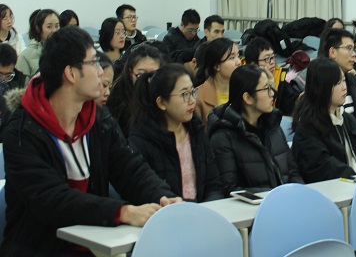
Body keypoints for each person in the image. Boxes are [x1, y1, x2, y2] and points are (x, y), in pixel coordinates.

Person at [0, 27, 179, 255]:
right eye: (93, 63)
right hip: (38, 248)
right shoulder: (22, 131)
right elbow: (53, 200)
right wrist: (122, 212)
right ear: (71, 73)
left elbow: (129, 168)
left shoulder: (98, 118)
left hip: (94, 244)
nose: (101, 72)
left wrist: (163, 198)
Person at [128, 64, 223, 202]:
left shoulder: (196, 130)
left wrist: (207, 208)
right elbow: (144, 192)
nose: (192, 101)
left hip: (201, 210)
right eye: (184, 94)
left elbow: (213, 184)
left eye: (193, 92)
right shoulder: (142, 141)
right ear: (162, 103)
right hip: (167, 211)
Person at [208, 65, 303, 194]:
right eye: (266, 89)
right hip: (256, 205)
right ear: (247, 98)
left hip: (284, 200)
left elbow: (293, 171)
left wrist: (297, 193)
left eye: (271, 87)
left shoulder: (273, 127)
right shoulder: (223, 137)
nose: (272, 94)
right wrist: (273, 197)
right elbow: (231, 189)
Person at [291, 58, 356, 182]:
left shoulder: (347, 119)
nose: (344, 87)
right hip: (338, 190)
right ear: (322, 87)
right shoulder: (308, 129)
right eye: (338, 83)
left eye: (344, 80)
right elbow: (325, 170)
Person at [106, 43, 164, 136]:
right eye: (140, 75)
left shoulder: (165, 95)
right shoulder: (118, 102)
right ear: (130, 72)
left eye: (153, 75)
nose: (147, 80)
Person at [321, 28, 356, 128]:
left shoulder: (354, 81)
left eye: (354, 49)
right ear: (332, 52)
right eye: (349, 48)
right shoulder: (320, 84)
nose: (354, 54)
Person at [195, 38, 242, 123]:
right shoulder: (197, 98)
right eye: (232, 58)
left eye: (238, 56)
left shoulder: (244, 89)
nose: (239, 62)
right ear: (216, 66)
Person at [17, 8, 60, 77]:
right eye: (49, 27)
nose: (54, 30)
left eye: (57, 26)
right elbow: (21, 83)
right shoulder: (25, 56)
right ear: (38, 28)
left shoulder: (65, 51)